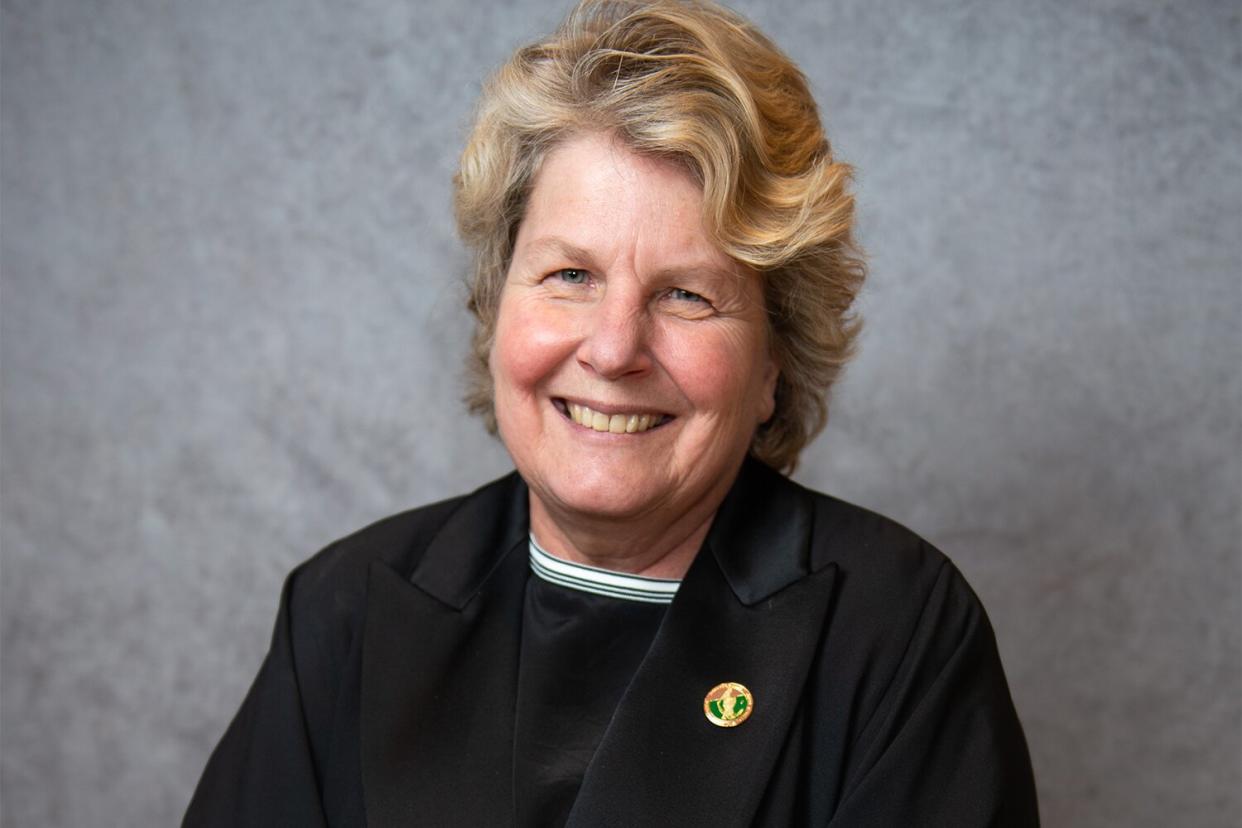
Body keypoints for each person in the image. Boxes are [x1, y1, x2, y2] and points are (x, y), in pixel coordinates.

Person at [184, 0, 1040, 825]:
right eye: (570, 277)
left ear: (775, 359)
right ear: (496, 307)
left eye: (686, 293)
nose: (613, 348)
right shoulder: (346, 612)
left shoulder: (895, 632)